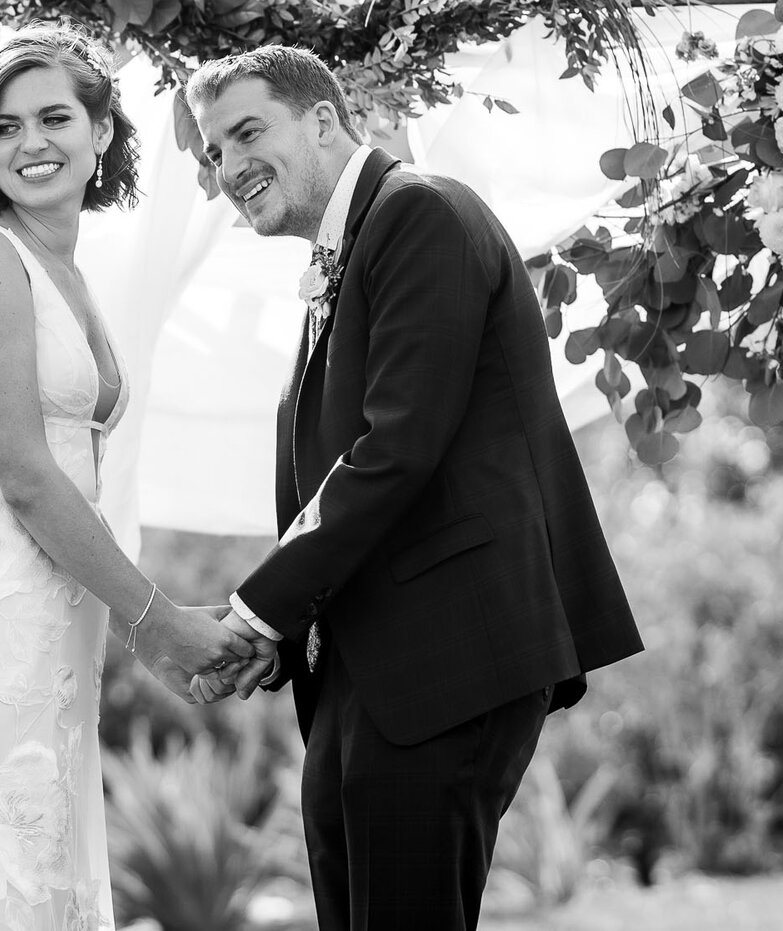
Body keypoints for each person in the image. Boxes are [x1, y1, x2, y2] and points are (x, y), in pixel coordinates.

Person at [185, 46, 643, 931]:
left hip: (450, 653)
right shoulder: (346, 248)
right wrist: (288, 626)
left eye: (248, 131)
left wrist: (256, 611)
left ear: (323, 119)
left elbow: (397, 447)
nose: (228, 165)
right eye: (213, 152)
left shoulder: (419, 213)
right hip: (368, 663)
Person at [0, 26, 253, 931]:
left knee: (36, 882)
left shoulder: (62, 270)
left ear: (102, 130)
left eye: (53, 117)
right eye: (4, 126)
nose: (31, 143)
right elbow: (28, 479)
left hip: (45, 620)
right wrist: (154, 620)